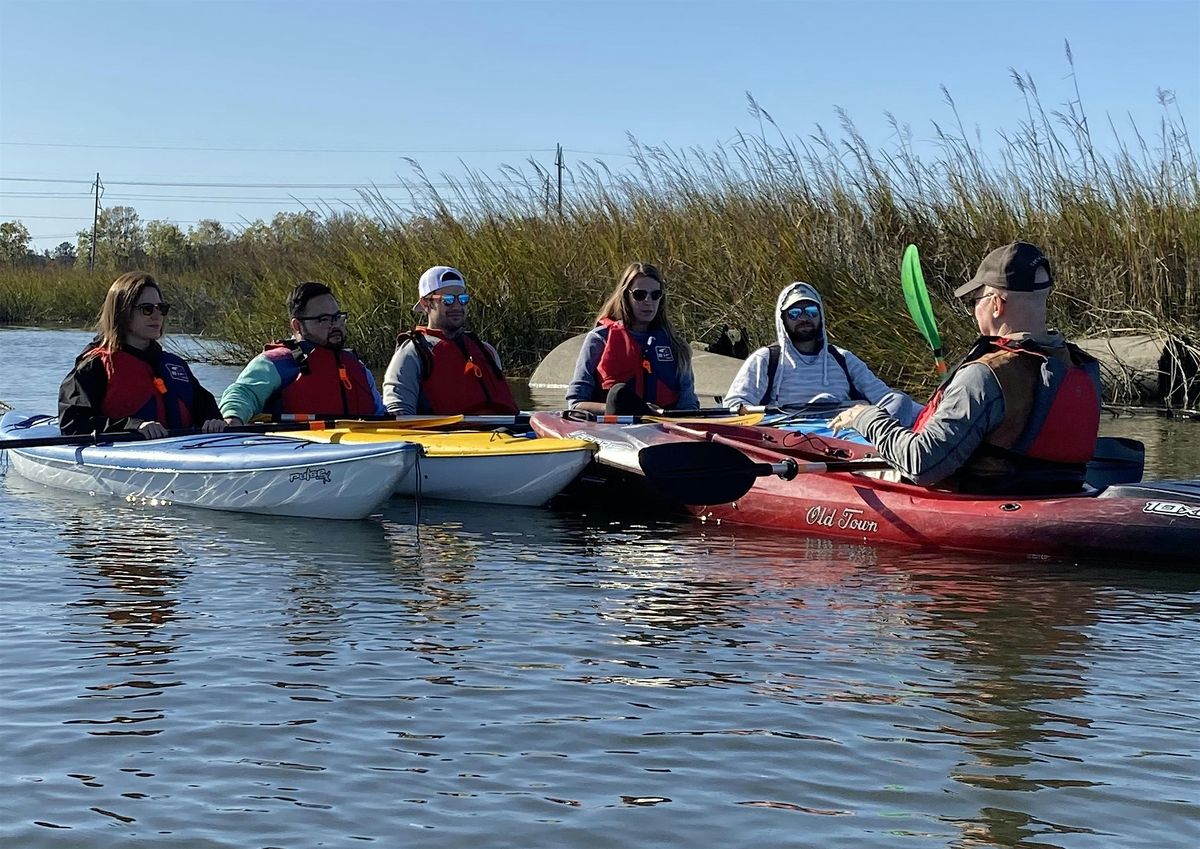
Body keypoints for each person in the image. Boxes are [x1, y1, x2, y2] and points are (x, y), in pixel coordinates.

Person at [828, 242, 1102, 494]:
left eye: (976, 301)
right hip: (1059, 492)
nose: (974, 311)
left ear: (996, 304)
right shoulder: (1079, 365)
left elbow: (922, 464)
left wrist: (866, 418)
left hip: (986, 500)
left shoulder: (985, 374)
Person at [58, 272, 227, 437]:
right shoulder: (94, 366)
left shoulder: (174, 366)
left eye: (161, 308)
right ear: (122, 313)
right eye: (146, 309)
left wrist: (214, 422)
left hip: (180, 452)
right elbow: (72, 424)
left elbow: (208, 412)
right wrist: (132, 426)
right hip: (126, 453)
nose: (156, 315)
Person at [723, 281, 921, 422]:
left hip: (847, 436)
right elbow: (734, 403)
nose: (803, 318)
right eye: (794, 313)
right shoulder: (766, 360)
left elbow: (884, 397)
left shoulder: (843, 359)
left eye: (811, 312)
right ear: (783, 320)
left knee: (899, 400)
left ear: (820, 316)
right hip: (788, 439)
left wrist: (932, 414)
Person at [220, 281, 385, 425]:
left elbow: (381, 414)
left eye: (337, 317)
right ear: (297, 326)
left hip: (361, 448)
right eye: (324, 319)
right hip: (296, 449)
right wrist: (233, 417)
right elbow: (242, 393)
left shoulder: (357, 367)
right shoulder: (275, 363)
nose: (335, 325)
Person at [382, 266, 519, 416]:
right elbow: (397, 413)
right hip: (444, 436)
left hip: (503, 433)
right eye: (447, 300)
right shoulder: (411, 354)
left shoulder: (486, 351)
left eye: (462, 299)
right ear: (425, 304)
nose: (457, 306)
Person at [566, 262, 699, 415]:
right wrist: (622, 409)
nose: (648, 301)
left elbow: (688, 404)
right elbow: (576, 403)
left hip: (663, 428)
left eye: (655, 295)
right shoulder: (599, 339)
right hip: (611, 428)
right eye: (639, 295)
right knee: (619, 392)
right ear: (626, 297)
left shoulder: (677, 346)